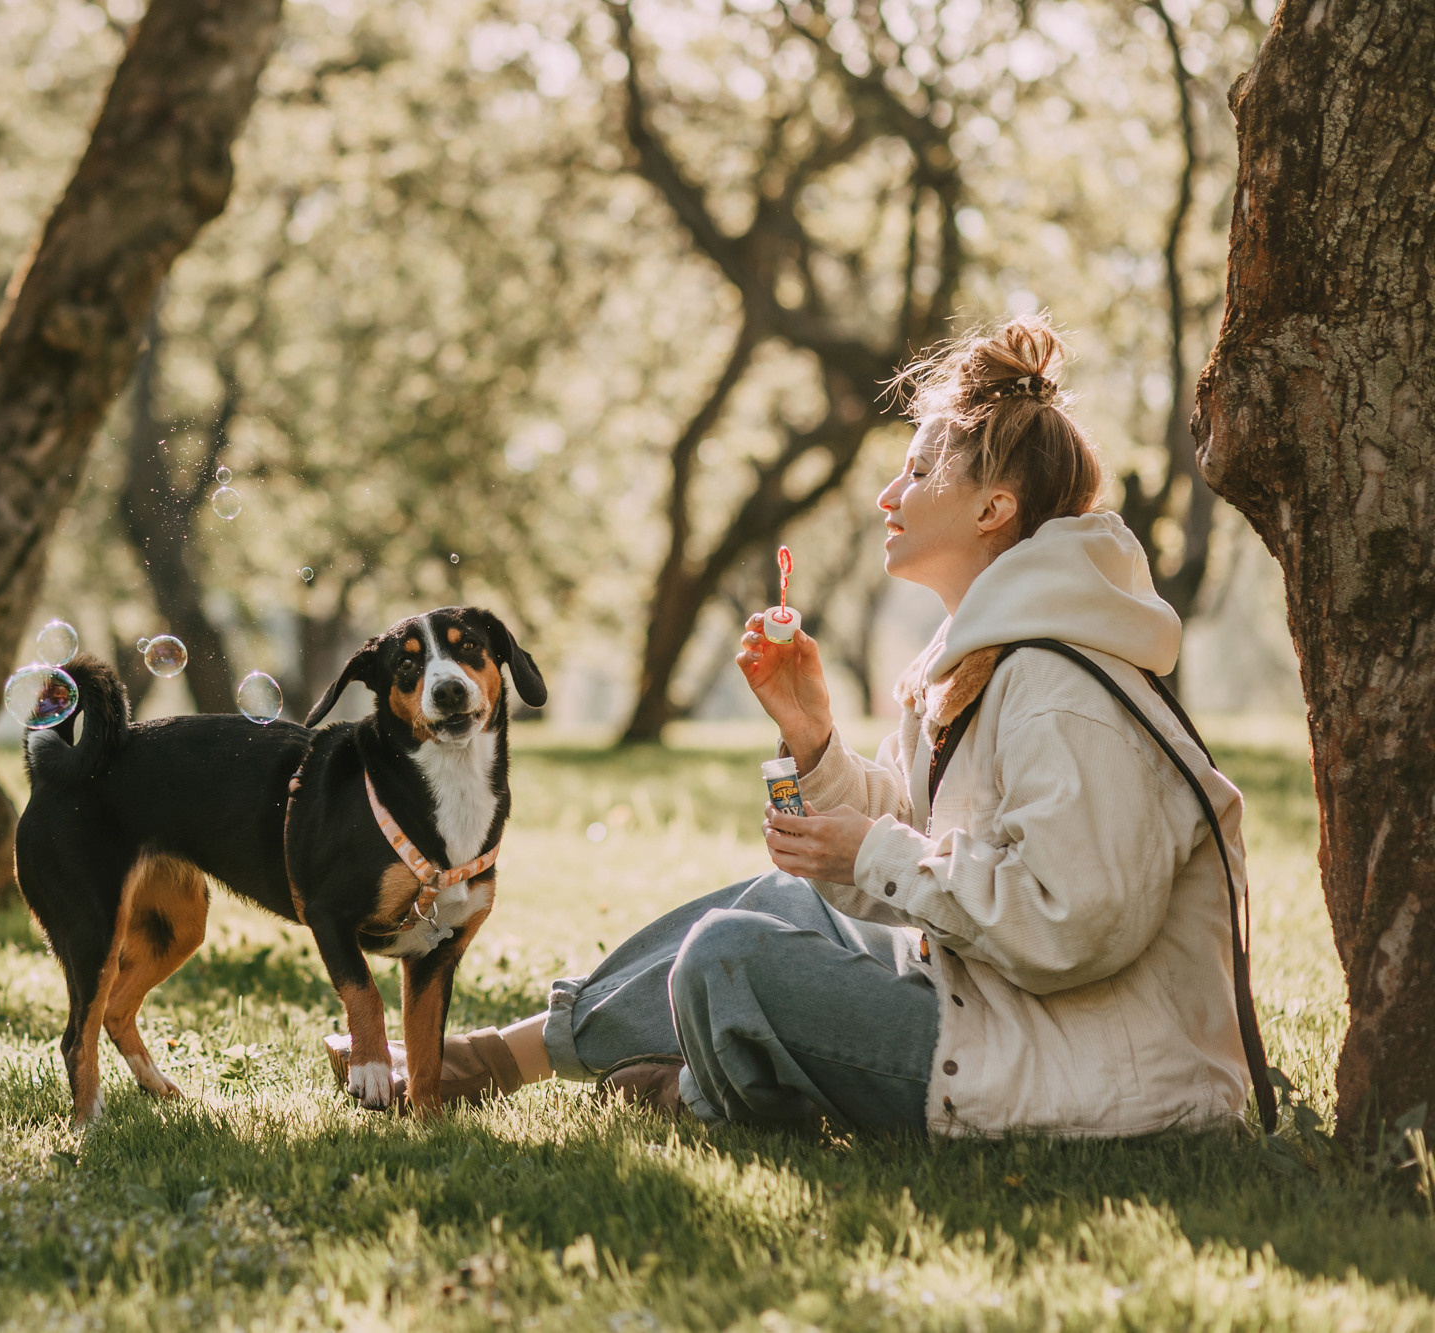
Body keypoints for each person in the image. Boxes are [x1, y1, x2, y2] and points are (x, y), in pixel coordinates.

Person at [330, 316, 1260, 1138]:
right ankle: (501, 1058)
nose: (888, 495)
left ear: (993, 508)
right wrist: (816, 742)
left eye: (918, 471)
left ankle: (703, 1089)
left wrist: (872, 852)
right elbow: (931, 834)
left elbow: (1070, 925)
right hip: (999, 1012)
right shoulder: (989, 657)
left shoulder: (1061, 687)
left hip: (1090, 1077)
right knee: (778, 903)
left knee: (729, 956)